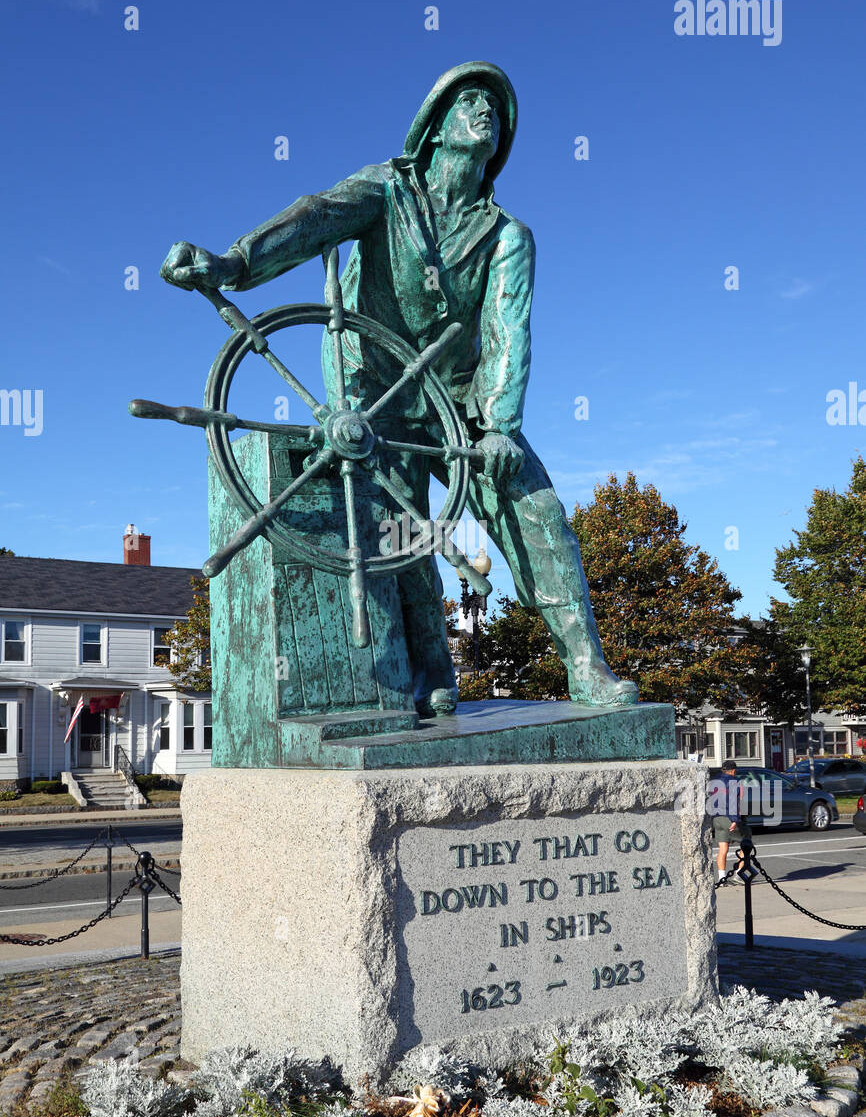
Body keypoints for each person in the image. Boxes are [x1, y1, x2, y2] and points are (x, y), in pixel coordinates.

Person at [160, 61, 639, 716]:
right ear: (434, 129)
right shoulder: (387, 190)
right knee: (401, 537)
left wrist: (498, 423)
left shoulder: (507, 237)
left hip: (461, 400)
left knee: (540, 517)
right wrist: (234, 263)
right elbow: (313, 219)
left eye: (493, 109)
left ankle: (586, 668)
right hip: (375, 392)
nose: (484, 113)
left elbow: (507, 329)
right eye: (467, 102)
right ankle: (430, 673)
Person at [713, 759, 751, 888]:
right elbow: (734, 802)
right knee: (746, 842)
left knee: (723, 849)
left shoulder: (715, 782)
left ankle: (722, 878)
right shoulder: (734, 782)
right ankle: (738, 875)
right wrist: (735, 819)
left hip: (716, 818)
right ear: (733, 770)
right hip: (729, 817)